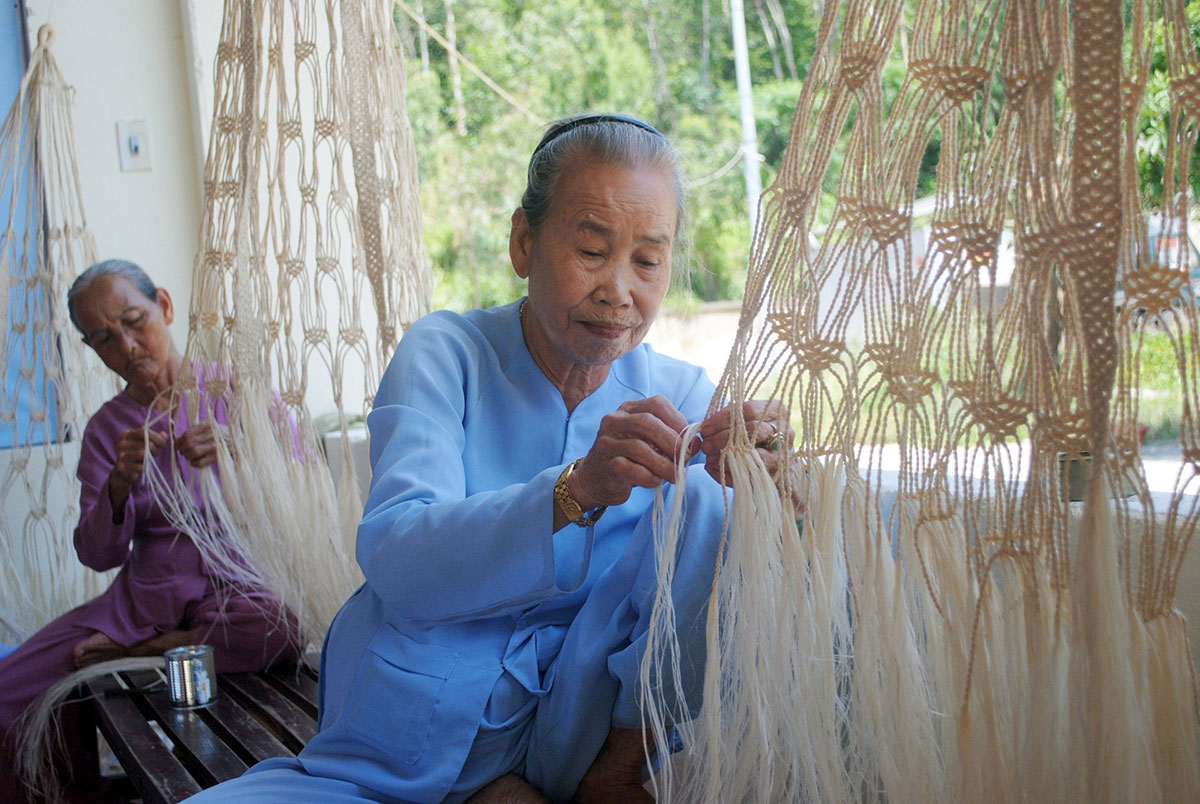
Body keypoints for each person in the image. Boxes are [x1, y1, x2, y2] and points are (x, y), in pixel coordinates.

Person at [186, 114, 796, 804]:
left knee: (717, 496)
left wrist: (771, 474)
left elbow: (723, 565)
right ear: (523, 242)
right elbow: (396, 556)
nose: (619, 290)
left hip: (574, 727)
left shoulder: (680, 396)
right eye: (592, 251)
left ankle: (619, 775)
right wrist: (576, 489)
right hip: (412, 731)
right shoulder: (447, 353)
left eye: (648, 260)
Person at [0, 259, 303, 803]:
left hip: (241, 589)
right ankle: (70, 792)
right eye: (105, 339)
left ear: (164, 305)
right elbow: (96, 554)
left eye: (135, 320)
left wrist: (240, 452)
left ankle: (146, 650)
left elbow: (306, 493)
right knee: (6, 689)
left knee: (283, 623)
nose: (128, 346)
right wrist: (119, 485)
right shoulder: (107, 430)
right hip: (140, 601)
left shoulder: (242, 393)